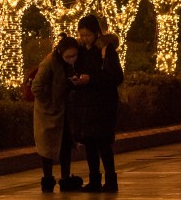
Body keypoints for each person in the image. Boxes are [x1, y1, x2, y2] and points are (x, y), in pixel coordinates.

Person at [71, 15, 124, 193]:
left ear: (96, 33)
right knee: (90, 144)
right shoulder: (79, 51)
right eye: (82, 35)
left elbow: (116, 76)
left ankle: (111, 180)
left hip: (103, 105)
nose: (85, 39)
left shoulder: (105, 50)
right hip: (85, 105)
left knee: (104, 144)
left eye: (88, 35)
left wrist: (91, 79)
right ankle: (94, 179)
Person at [31, 35, 83, 192]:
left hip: (64, 111)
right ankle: (47, 180)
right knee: (47, 149)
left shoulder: (69, 65)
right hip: (49, 113)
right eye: (68, 56)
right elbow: (36, 87)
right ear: (60, 53)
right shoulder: (49, 63)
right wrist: (49, 103)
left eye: (74, 55)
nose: (72, 59)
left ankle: (65, 178)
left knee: (65, 145)